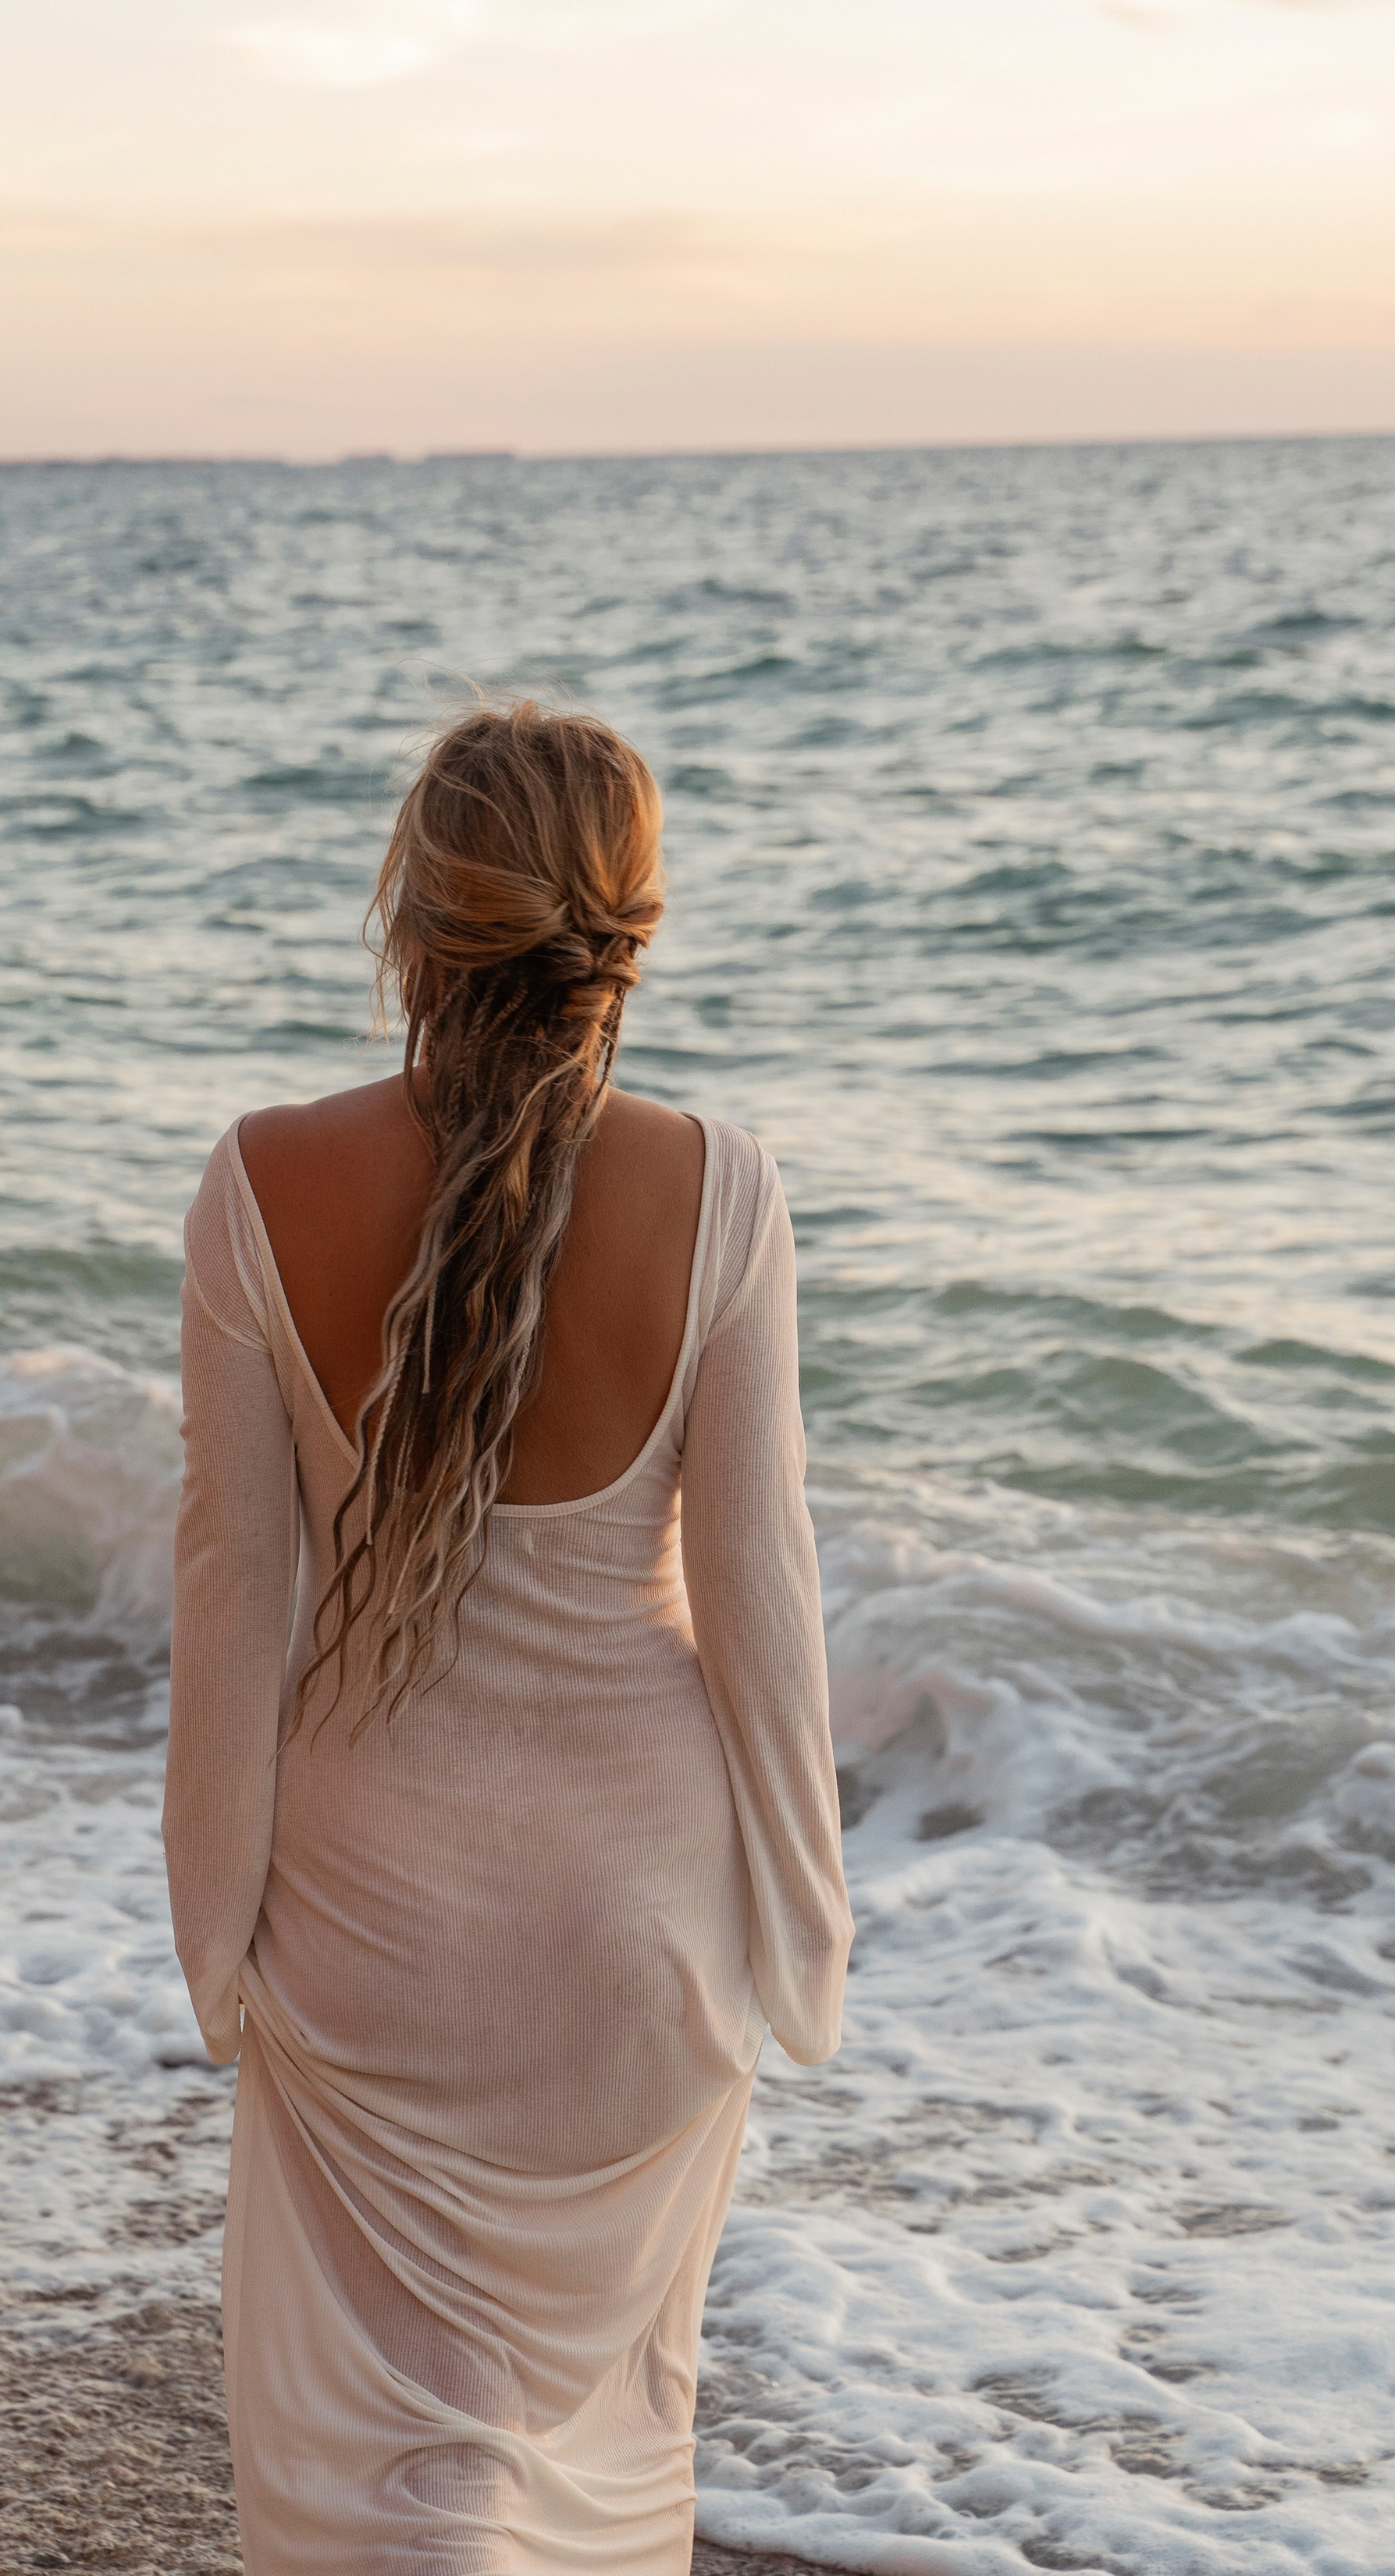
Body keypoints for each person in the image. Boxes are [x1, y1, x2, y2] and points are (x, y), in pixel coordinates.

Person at [163, 698, 852, 2574]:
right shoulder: (720, 1191)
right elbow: (761, 1598)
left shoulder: (258, 1178)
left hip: (379, 1918)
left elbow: (234, 1594)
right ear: (627, 920)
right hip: (640, 1932)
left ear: (413, 912)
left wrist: (212, 1935)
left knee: (390, 2466)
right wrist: (804, 1929)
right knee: (602, 2458)